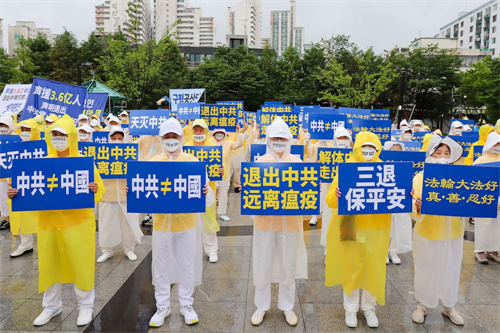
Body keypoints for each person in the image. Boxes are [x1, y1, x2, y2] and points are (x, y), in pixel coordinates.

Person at [8, 115, 104, 327]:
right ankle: (51, 306)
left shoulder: (83, 163)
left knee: (81, 264)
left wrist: (95, 189)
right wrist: (14, 193)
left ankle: (85, 305)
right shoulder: (41, 164)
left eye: (62, 135)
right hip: (49, 225)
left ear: (71, 137)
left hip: (77, 225)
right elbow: (25, 190)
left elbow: (99, 191)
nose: (58, 139)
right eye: (55, 135)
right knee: (50, 264)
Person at [147, 117, 214, 328]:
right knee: (161, 266)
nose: (171, 140)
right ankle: (162, 306)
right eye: (167, 136)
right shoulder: (153, 162)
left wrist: (206, 191)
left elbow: (208, 198)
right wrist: (134, 193)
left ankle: (186, 304)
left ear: (181, 138)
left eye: (174, 136)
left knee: (187, 265)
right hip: (161, 226)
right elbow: (146, 197)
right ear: (161, 139)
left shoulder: (193, 162)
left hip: (186, 224)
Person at [325, 132, 391, 329]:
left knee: (373, 266)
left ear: (378, 149)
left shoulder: (385, 170)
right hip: (350, 224)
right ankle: (351, 308)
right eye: (364, 147)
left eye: (371, 147)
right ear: (357, 148)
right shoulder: (347, 168)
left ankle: (369, 307)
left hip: (377, 225)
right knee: (351, 266)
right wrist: (336, 194)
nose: (368, 151)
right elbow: (329, 200)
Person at [250, 116, 307, 327]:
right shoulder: (259, 164)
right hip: (265, 224)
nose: (279, 142)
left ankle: (287, 306)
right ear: (268, 139)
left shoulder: (298, 164)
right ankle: (261, 306)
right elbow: (251, 198)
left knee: (288, 264)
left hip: (290, 225)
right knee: (262, 263)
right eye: (275, 138)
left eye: (282, 138)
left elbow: (305, 196)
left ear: (289, 140)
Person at [411, 134, 465, 326]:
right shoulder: (420, 178)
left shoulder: (460, 176)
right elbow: (412, 206)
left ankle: (449, 306)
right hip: (428, 232)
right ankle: (421, 305)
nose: (442, 156)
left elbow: (469, 201)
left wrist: (490, 205)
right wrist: (417, 205)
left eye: (446, 153)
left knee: (451, 269)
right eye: (438, 152)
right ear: (430, 155)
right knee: (425, 269)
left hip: (453, 232)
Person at [97, 127, 143, 263]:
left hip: (125, 194)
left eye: (120, 138)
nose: (117, 141)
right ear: (109, 138)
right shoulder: (102, 154)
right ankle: (107, 251)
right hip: (107, 194)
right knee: (106, 223)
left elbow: (136, 172)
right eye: (114, 138)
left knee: (128, 223)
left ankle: (129, 250)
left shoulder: (131, 154)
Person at [184, 118, 222, 263]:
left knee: (209, 221)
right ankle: (190, 251)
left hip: (208, 191)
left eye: (201, 130)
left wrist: (220, 170)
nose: (198, 132)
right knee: (190, 221)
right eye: (196, 130)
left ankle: (212, 250)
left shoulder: (212, 146)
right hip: (190, 190)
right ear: (192, 131)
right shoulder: (186, 147)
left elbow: (218, 170)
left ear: (205, 131)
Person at [8, 118, 42, 257]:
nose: (25, 132)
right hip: (22, 184)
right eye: (23, 130)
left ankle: (47, 246)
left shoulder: (43, 146)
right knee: (23, 215)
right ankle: (25, 244)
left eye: (28, 130)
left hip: (39, 183)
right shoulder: (15, 146)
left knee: (42, 215)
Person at [319, 127, 352, 251]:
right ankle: (329, 249)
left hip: (348, 194)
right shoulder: (328, 153)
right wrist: (319, 167)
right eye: (340, 138)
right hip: (331, 193)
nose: (343, 140)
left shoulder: (353, 154)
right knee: (329, 220)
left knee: (347, 222)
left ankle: (345, 249)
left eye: (345, 138)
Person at [382, 141, 413, 265]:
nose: (395, 155)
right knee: (385, 226)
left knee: (398, 226)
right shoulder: (381, 165)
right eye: (392, 151)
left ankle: (393, 251)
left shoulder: (406, 167)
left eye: (398, 152)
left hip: (400, 198)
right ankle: (383, 251)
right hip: (385, 198)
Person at [472, 131, 500, 264]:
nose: (498, 146)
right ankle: (479, 250)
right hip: (483, 197)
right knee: (483, 223)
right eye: (496, 144)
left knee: (497, 224)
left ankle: (492, 250)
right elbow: (473, 180)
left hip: (499, 198)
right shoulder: (480, 160)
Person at [213, 127, 247, 222]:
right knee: (210, 194)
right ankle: (209, 213)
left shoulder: (228, 143)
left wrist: (238, 132)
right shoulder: (210, 143)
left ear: (224, 134)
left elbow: (238, 144)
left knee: (223, 193)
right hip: (211, 173)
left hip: (224, 174)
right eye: (217, 133)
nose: (219, 135)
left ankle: (222, 213)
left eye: (221, 133)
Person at [0, 115, 16, 231]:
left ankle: (15, 219)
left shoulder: (17, 139)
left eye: (5, 125)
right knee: (2, 197)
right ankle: (7, 219)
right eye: (1, 125)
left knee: (12, 196)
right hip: (1, 174)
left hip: (12, 173)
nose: (3, 128)